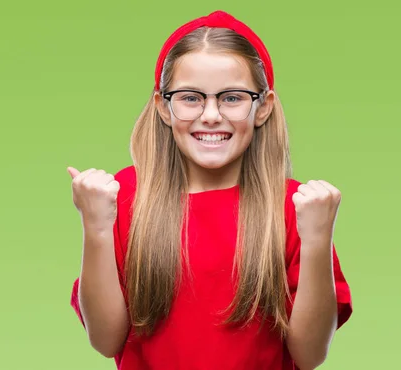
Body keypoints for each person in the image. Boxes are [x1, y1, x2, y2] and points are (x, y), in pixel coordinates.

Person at [66, 10, 352, 370]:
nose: (212, 114)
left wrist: (317, 240)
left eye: (232, 97)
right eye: (191, 97)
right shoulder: (123, 197)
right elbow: (105, 339)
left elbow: (310, 355)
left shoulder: (295, 208)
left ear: (262, 107)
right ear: (163, 107)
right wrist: (95, 226)